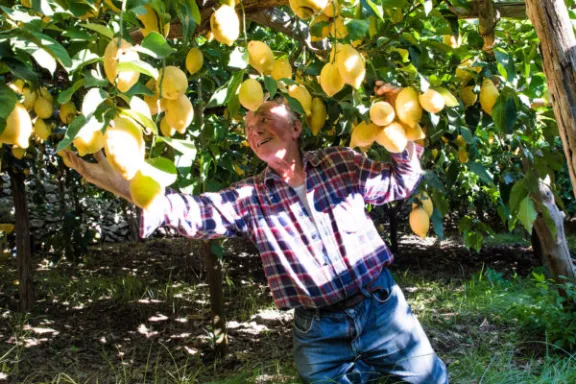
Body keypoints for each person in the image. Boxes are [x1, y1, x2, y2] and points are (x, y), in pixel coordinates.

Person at [63, 85, 448, 384]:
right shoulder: (250, 196)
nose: (255, 127)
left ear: (296, 126)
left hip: (380, 307)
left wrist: (402, 118)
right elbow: (195, 214)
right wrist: (127, 184)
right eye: (248, 127)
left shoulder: (339, 163)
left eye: (264, 115)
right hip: (317, 328)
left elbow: (400, 182)